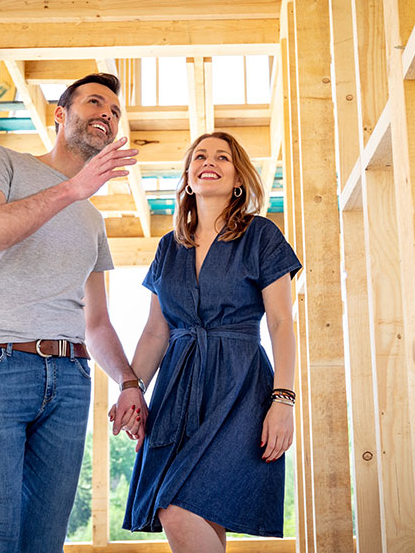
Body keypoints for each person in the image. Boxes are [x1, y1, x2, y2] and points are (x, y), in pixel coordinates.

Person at [0, 73, 148, 553]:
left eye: (115, 112)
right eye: (95, 102)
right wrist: (71, 190)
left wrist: (129, 381)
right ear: (61, 114)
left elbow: (96, 323)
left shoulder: (94, 220)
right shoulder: (3, 162)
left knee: (44, 542)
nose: (107, 114)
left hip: (71, 380)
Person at [118, 131, 301, 551]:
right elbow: (155, 331)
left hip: (240, 389)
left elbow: (280, 323)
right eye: (200, 155)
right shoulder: (168, 247)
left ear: (238, 178)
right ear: (187, 176)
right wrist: (132, 387)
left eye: (222, 156)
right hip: (176, 392)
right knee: (196, 508)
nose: (209, 161)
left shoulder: (262, 235)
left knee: (177, 506)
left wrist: (284, 400)